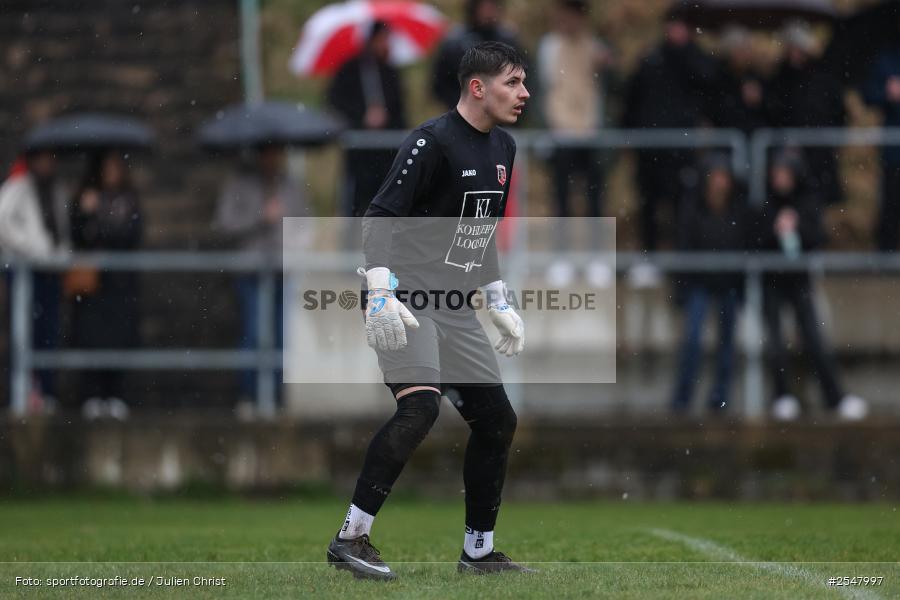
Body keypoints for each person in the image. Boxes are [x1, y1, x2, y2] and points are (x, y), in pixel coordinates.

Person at [326, 42, 531, 579]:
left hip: (456, 308)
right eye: (513, 82)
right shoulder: (430, 140)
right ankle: (351, 537)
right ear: (478, 87)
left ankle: (479, 554)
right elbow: (379, 215)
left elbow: (480, 230)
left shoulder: (505, 147)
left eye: (525, 82)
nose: (525, 93)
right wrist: (378, 292)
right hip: (407, 300)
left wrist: (496, 297)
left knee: (497, 422)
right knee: (420, 408)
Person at [754, 150, 868, 421]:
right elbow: (754, 238)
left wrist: (796, 227)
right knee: (775, 341)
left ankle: (834, 398)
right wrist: (774, 229)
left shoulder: (806, 202)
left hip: (798, 280)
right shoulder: (765, 204)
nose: (780, 179)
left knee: (814, 339)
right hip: (772, 281)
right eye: (776, 174)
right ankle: (781, 396)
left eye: (784, 174)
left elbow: (817, 236)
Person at [622, 14, 716, 284]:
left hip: (681, 152)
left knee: (682, 209)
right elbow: (633, 99)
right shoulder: (651, 60)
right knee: (649, 206)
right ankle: (649, 259)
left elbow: (709, 86)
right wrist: (630, 135)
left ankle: (681, 264)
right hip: (650, 150)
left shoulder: (696, 60)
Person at [213, 144, 305, 416]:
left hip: (280, 270)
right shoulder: (239, 184)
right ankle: (250, 395)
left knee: (278, 337)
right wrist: (260, 218)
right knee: (253, 333)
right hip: (251, 270)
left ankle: (275, 398)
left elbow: (304, 224)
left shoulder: (290, 186)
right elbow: (225, 223)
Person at [536, 0, 616, 288]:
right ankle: (562, 258)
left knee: (595, 199)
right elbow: (540, 89)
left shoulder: (597, 46)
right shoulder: (549, 47)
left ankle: (596, 258)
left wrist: (607, 66)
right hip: (560, 132)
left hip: (591, 133)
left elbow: (611, 89)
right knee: (562, 199)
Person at [670, 154, 748, 414]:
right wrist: (681, 289)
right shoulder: (693, 208)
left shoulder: (737, 208)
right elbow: (683, 249)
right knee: (692, 341)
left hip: (729, 284)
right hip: (699, 283)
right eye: (715, 177)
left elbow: (745, 247)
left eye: (723, 177)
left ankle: (719, 400)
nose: (720, 183)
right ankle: (682, 399)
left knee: (726, 346)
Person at [69, 151, 143, 420]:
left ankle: (115, 395)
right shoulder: (85, 197)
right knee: (91, 339)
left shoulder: (129, 200)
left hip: (121, 286)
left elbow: (131, 235)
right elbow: (77, 235)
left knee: (118, 340)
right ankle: (92, 395)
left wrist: (102, 226)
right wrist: (87, 213)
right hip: (93, 286)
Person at [0, 150, 70, 410]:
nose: (48, 163)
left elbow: (60, 229)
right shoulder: (18, 186)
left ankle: (46, 392)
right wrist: (30, 249)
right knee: (23, 333)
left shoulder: (56, 189)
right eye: (43, 158)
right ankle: (23, 393)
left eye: (52, 158)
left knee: (48, 333)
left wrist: (60, 253)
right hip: (24, 272)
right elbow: (3, 223)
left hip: (49, 271)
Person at [327, 20, 407, 219]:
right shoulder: (350, 70)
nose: (384, 44)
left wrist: (387, 119)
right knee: (355, 205)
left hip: (387, 154)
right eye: (381, 39)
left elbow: (400, 110)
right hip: (359, 155)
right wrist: (361, 117)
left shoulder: (390, 72)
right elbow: (335, 103)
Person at [765, 21, 846, 206]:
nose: (795, 52)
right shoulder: (781, 78)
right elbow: (774, 111)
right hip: (792, 148)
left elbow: (838, 110)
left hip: (820, 148)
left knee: (820, 199)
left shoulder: (823, 76)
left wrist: (834, 138)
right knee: (791, 198)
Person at [431, 0, 523, 111]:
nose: (488, 12)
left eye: (492, 7)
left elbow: (522, 76)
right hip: (464, 114)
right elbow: (440, 83)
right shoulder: (455, 42)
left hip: (502, 113)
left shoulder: (508, 40)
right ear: (474, 9)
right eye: (484, 7)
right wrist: (462, 104)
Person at [862, 42, 900, 250]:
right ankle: (886, 256)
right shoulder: (887, 60)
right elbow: (868, 94)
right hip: (894, 153)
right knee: (891, 205)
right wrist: (887, 93)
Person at [704, 26, 767, 136]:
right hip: (726, 142)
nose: (744, 54)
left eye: (746, 49)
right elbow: (714, 110)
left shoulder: (756, 76)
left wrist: (759, 101)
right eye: (740, 50)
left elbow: (772, 111)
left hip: (755, 140)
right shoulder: (718, 77)